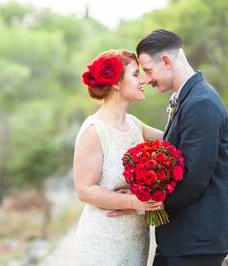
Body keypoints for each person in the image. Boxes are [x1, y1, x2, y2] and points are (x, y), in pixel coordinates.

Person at [135, 29, 228, 266]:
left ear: (166, 61)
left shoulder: (200, 103)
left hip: (197, 241)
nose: (147, 79)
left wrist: (148, 205)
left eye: (149, 70)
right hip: (185, 238)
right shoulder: (188, 99)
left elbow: (194, 178)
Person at [73, 49, 163, 265]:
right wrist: (134, 201)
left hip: (135, 238)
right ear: (116, 83)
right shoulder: (94, 130)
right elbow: (85, 190)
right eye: (135, 74)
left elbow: (172, 142)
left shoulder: (134, 124)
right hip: (103, 240)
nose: (142, 80)